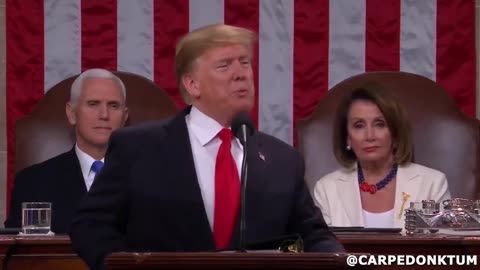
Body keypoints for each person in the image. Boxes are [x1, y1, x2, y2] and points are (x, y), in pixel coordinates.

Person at [69, 23, 344, 270]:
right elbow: (91, 226)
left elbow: (314, 236)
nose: (241, 74)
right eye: (225, 65)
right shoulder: (138, 148)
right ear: (192, 84)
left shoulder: (283, 160)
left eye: (245, 63)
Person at [4, 68, 129, 234]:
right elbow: (18, 256)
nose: (104, 114)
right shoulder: (32, 183)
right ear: (72, 114)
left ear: (124, 117)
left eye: (113, 105)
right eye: (93, 104)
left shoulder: (152, 179)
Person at [313, 84, 451, 229]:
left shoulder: (432, 184)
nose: (370, 136)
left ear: (395, 132)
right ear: (347, 137)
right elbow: (322, 248)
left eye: (380, 124)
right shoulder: (327, 189)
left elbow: (442, 248)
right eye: (359, 125)